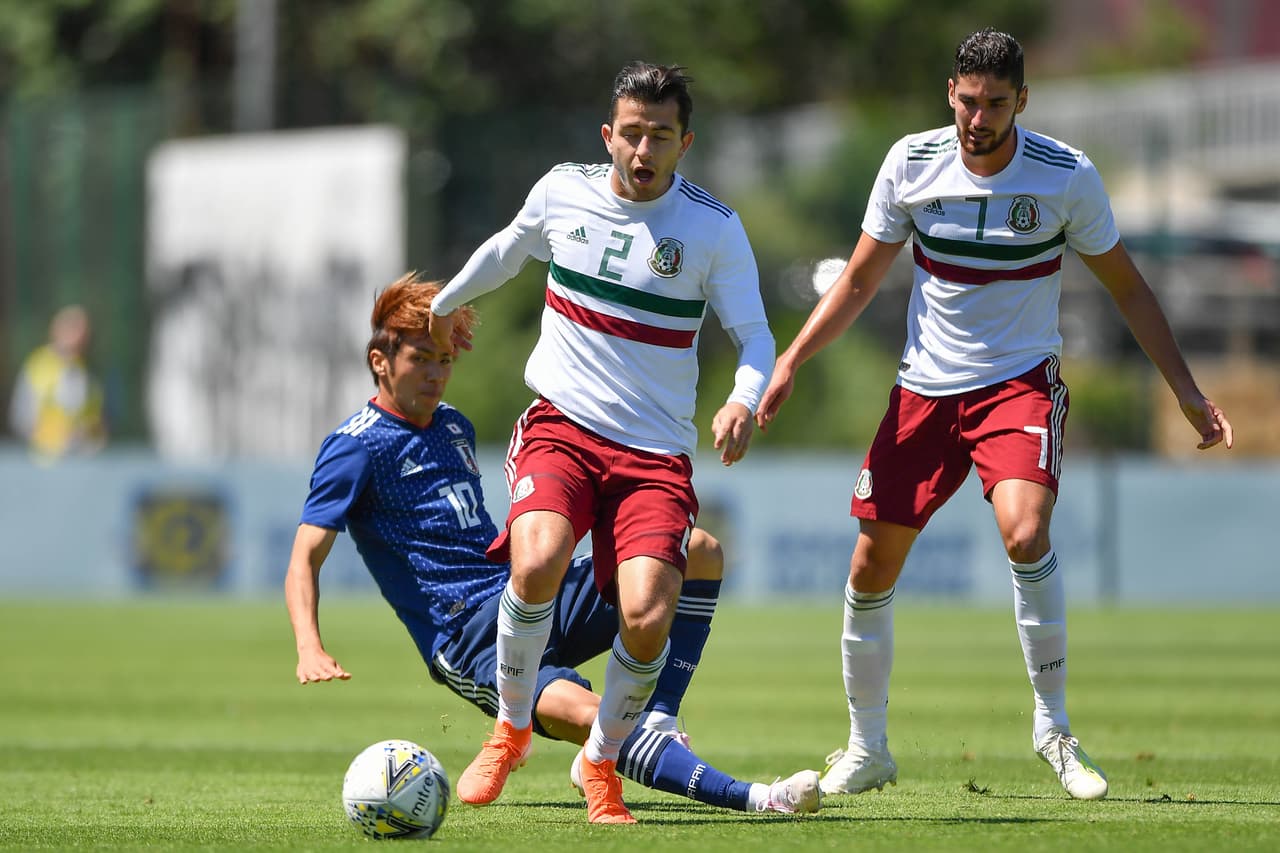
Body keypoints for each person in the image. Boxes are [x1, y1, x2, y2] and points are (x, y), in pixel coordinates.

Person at [756, 28, 1234, 802]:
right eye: (968, 101)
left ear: (1022, 102)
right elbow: (854, 283)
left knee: (1025, 530)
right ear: (951, 91)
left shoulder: (1065, 177)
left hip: (1017, 386)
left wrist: (1185, 389)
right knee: (869, 565)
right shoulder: (911, 164)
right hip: (922, 392)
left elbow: (1130, 289)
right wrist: (790, 362)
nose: (978, 119)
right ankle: (868, 746)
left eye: (996, 104)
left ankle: (1053, 728)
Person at [284, 275, 817, 822]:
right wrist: (308, 644)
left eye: (445, 359)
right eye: (422, 358)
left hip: (522, 590)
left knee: (699, 551)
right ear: (380, 360)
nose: (436, 374)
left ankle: (662, 716)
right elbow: (306, 554)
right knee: (596, 716)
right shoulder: (356, 446)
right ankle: (761, 798)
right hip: (467, 636)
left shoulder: (453, 426)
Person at [427, 62, 776, 822]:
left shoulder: (713, 229)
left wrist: (744, 399)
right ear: (607, 135)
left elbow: (754, 336)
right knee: (539, 556)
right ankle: (512, 726)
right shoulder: (563, 190)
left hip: (653, 456)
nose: (642, 150)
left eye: (659, 135)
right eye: (630, 132)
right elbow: (509, 248)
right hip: (562, 426)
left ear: (685, 142)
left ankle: (599, 763)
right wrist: (445, 303)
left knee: (648, 612)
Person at [8, 304, 107, 460]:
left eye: (82, 331)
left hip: (83, 460)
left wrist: (89, 434)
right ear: (56, 330)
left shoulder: (90, 372)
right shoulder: (37, 367)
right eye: (72, 329)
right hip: (44, 461)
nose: (78, 336)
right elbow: (20, 419)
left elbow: (98, 422)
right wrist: (53, 437)